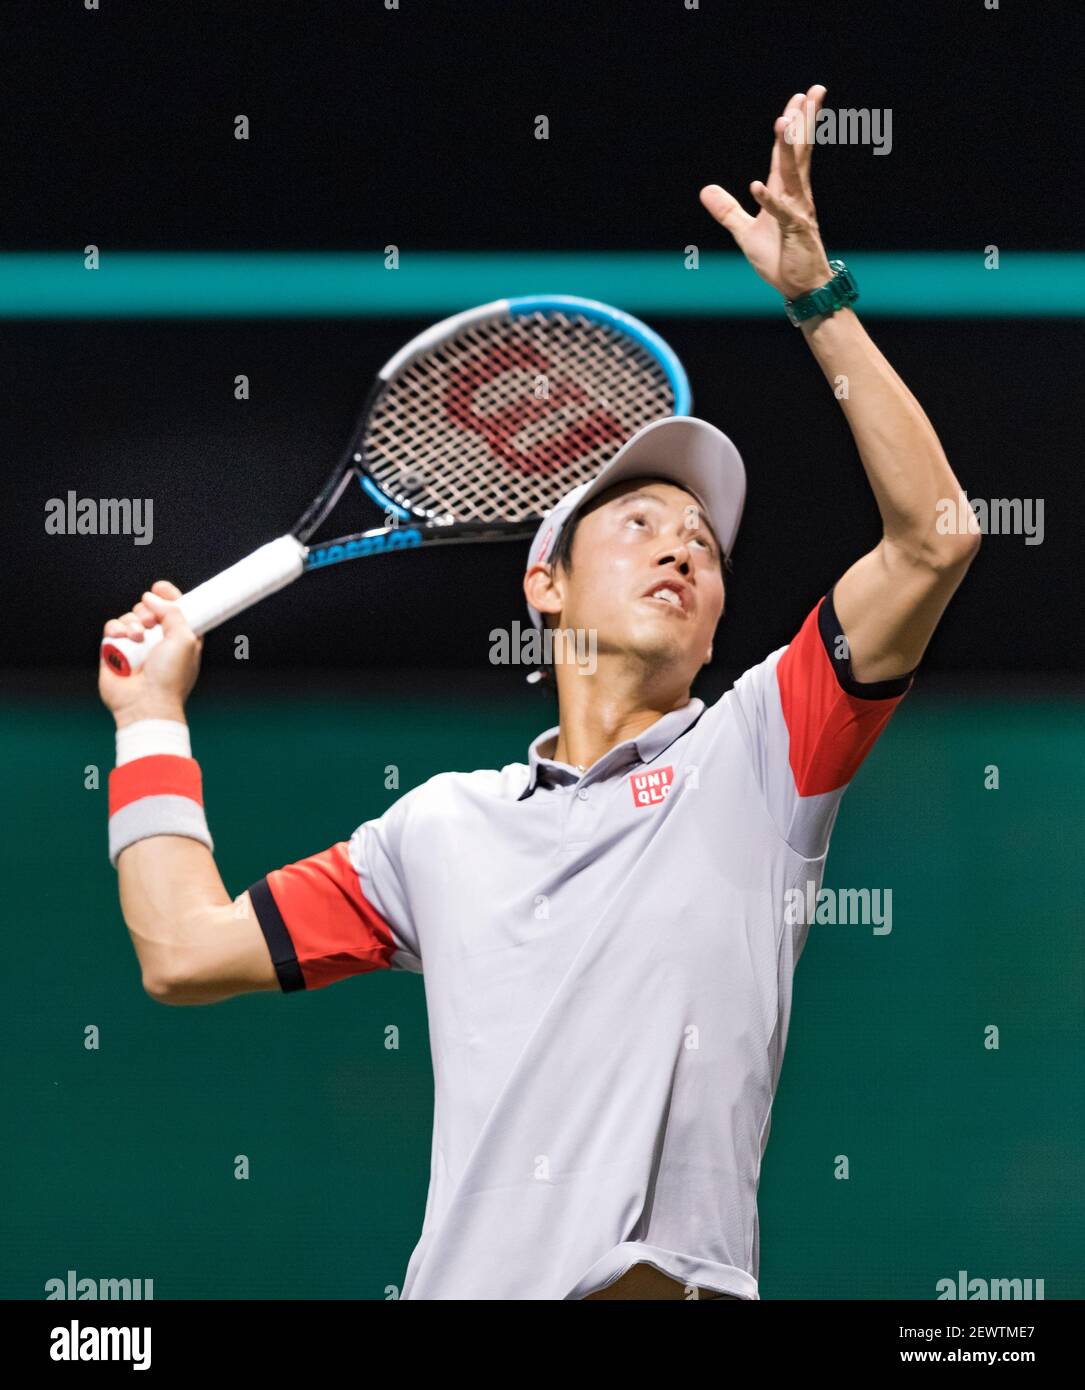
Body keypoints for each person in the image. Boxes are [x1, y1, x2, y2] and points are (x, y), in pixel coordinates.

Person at [98, 85, 980, 1300]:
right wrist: (149, 719)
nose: (681, 547)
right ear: (544, 585)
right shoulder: (438, 829)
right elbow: (181, 951)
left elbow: (934, 540)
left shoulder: (760, 755)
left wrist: (817, 304)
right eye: (639, 522)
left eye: (705, 543)